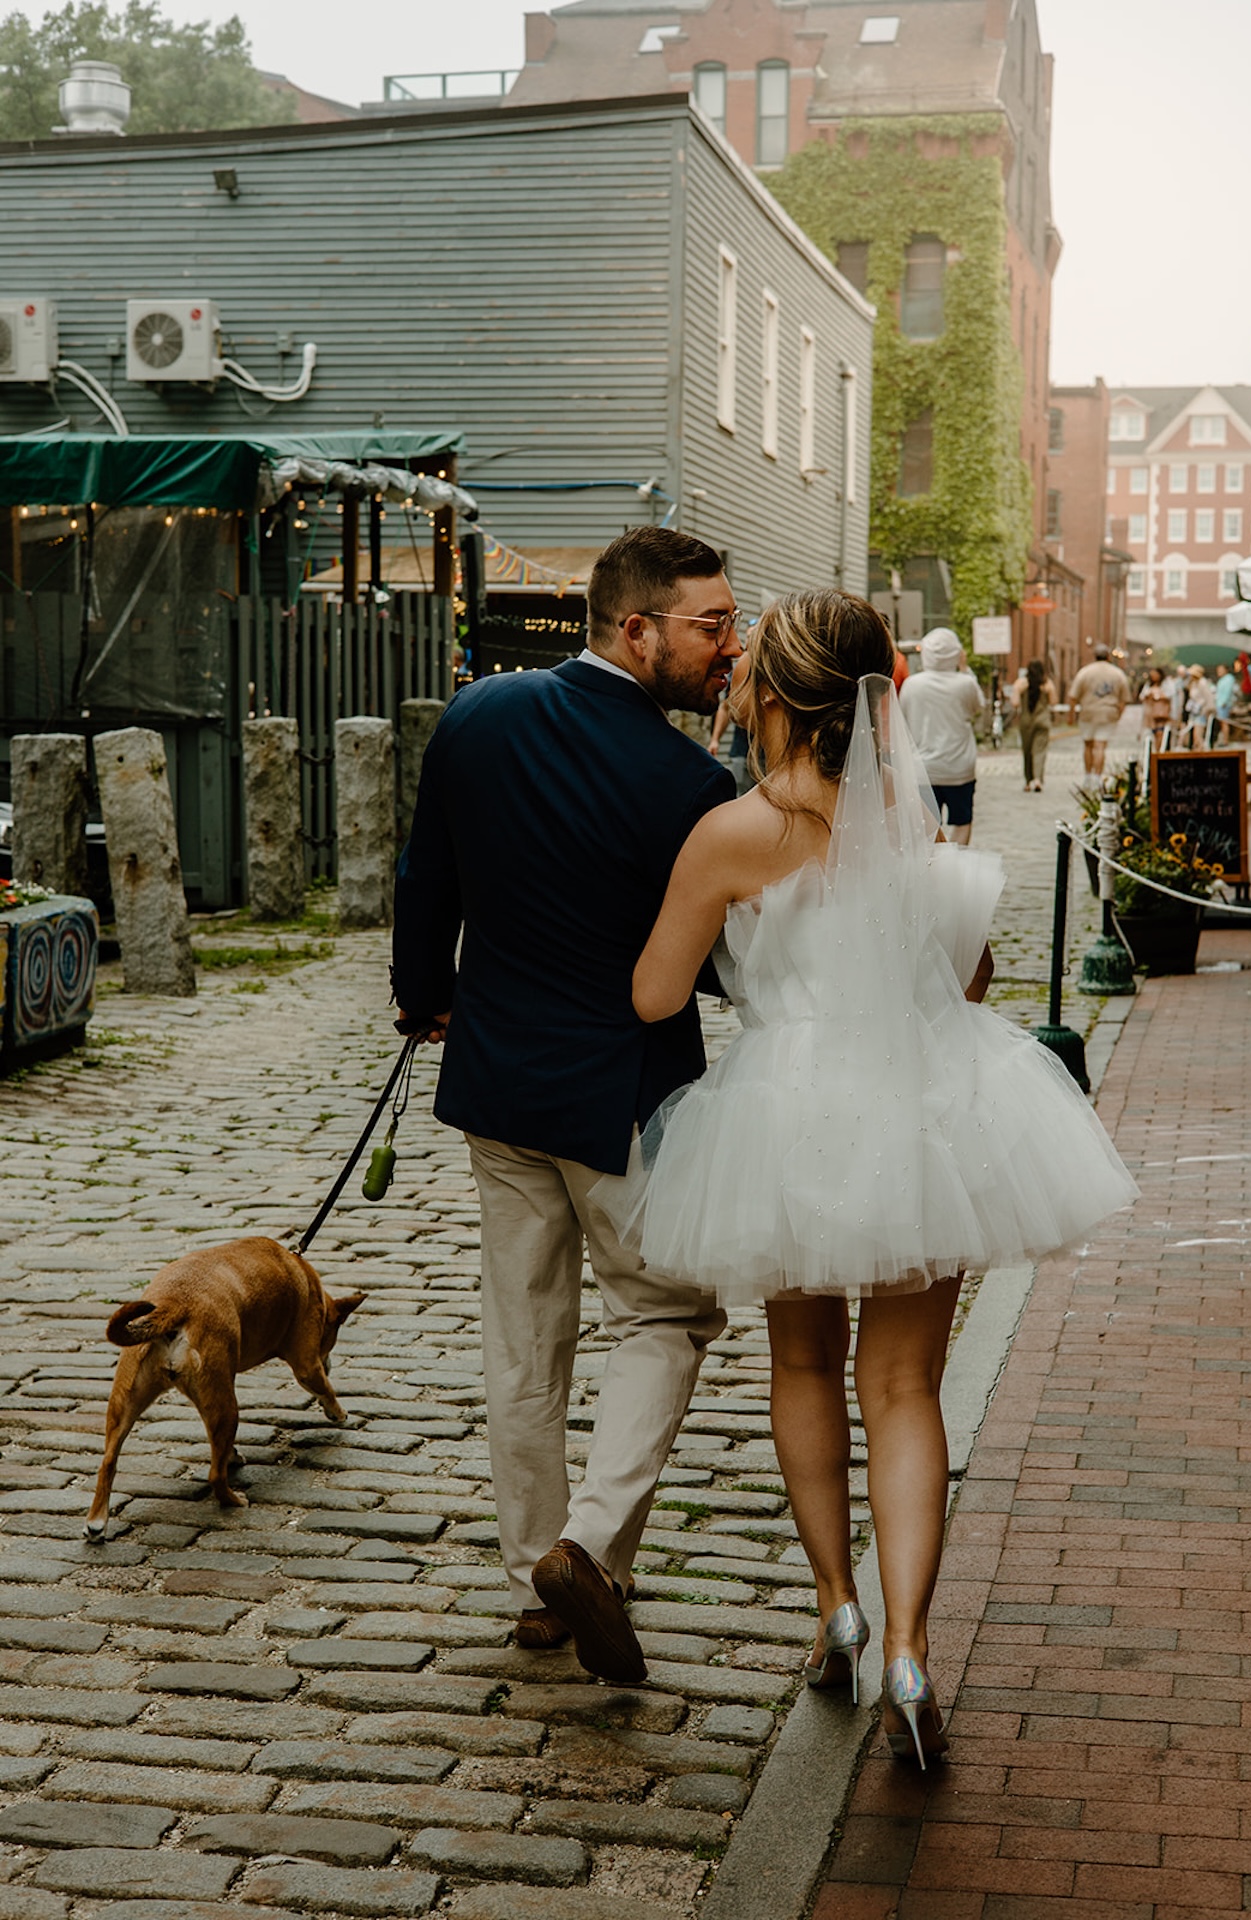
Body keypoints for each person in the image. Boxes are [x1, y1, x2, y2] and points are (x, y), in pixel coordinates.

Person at [597, 590, 1138, 1767]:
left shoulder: (732, 834)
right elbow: (972, 978)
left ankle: (833, 1606)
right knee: (905, 1392)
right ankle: (906, 1646)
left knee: (802, 1364)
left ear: (778, 702)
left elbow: (649, 994)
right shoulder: (914, 834)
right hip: (928, 1111)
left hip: (786, 1118)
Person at [392, 526, 740, 1685]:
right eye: (709, 626)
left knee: (521, 1341)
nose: (727, 648)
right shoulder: (689, 783)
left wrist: (422, 1001)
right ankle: (586, 1549)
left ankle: (535, 1576)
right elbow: (708, 966)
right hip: (626, 1099)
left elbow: (424, 880)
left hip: (495, 1078)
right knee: (665, 1317)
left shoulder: (475, 716)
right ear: (633, 628)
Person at [897, 627, 984, 843]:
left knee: (925, 829)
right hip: (959, 768)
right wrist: (963, 669)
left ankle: (931, 869)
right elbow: (978, 707)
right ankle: (956, 866)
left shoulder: (912, 685)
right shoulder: (966, 684)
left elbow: (903, 717)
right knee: (962, 821)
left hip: (923, 770)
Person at [1067, 643, 1130, 787]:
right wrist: (1119, 713)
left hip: (1088, 712)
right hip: (1108, 713)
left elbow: (1073, 696)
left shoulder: (1085, 672)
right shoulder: (1117, 673)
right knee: (1100, 745)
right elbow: (1124, 698)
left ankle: (1088, 775)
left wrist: (1071, 715)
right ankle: (1097, 776)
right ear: (1108, 656)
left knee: (1088, 745)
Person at [1012, 658, 1056, 790]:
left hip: (1026, 721)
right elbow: (1053, 702)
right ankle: (1038, 779)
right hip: (1042, 720)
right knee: (1040, 750)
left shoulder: (1020, 683)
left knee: (1027, 751)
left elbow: (1015, 703)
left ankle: (1028, 781)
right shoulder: (1047, 684)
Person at [1183, 663, 1215, 747]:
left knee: (1198, 735)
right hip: (1194, 711)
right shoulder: (1194, 684)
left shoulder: (1202, 683)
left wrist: (1208, 710)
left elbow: (1208, 698)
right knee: (1195, 736)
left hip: (1201, 712)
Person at [1139, 664, 1173, 742]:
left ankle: (1159, 751)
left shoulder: (1166, 684)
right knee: (1153, 732)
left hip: (1161, 711)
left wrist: (1158, 696)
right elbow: (1142, 695)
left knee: (1160, 732)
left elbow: (1169, 695)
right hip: (1151, 711)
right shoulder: (1148, 685)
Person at [1214, 662, 1239, 743]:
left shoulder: (1229, 679)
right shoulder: (1222, 679)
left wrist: (1223, 702)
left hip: (1223, 704)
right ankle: (1223, 739)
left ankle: (1225, 740)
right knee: (1222, 722)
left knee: (1224, 722)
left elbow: (1227, 692)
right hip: (1219, 703)